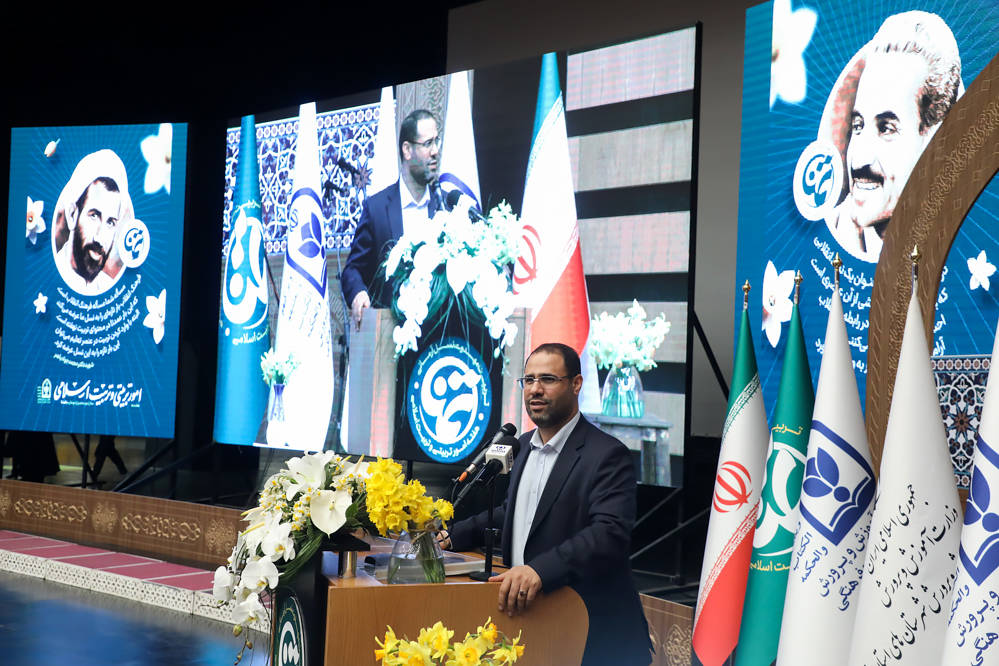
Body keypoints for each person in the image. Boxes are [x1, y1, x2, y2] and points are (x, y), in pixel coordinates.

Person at [439, 343, 652, 665]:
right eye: (529, 380)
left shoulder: (607, 454)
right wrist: (452, 535)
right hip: (530, 622)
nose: (535, 389)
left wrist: (540, 570)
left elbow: (609, 533)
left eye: (548, 379)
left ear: (576, 384)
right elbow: (515, 513)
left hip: (592, 632)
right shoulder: (522, 446)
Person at [823, 11, 962, 261]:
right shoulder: (837, 229)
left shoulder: (959, 243)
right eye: (858, 125)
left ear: (936, 142)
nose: (859, 160)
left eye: (886, 128)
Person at [341, 109, 442, 330]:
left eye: (437, 141)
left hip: (437, 336)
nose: (435, 151)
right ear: (407, 150)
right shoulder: (377, 209)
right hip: (389, 333)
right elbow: (352, 270)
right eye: (428, 144)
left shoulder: (445, 206)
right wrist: (358, 293)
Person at [52, 150, 133, 295]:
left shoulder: (110, 287)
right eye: (94, 216)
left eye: (110, 222)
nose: (100, 238)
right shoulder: (48, 277)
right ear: (72, 215)